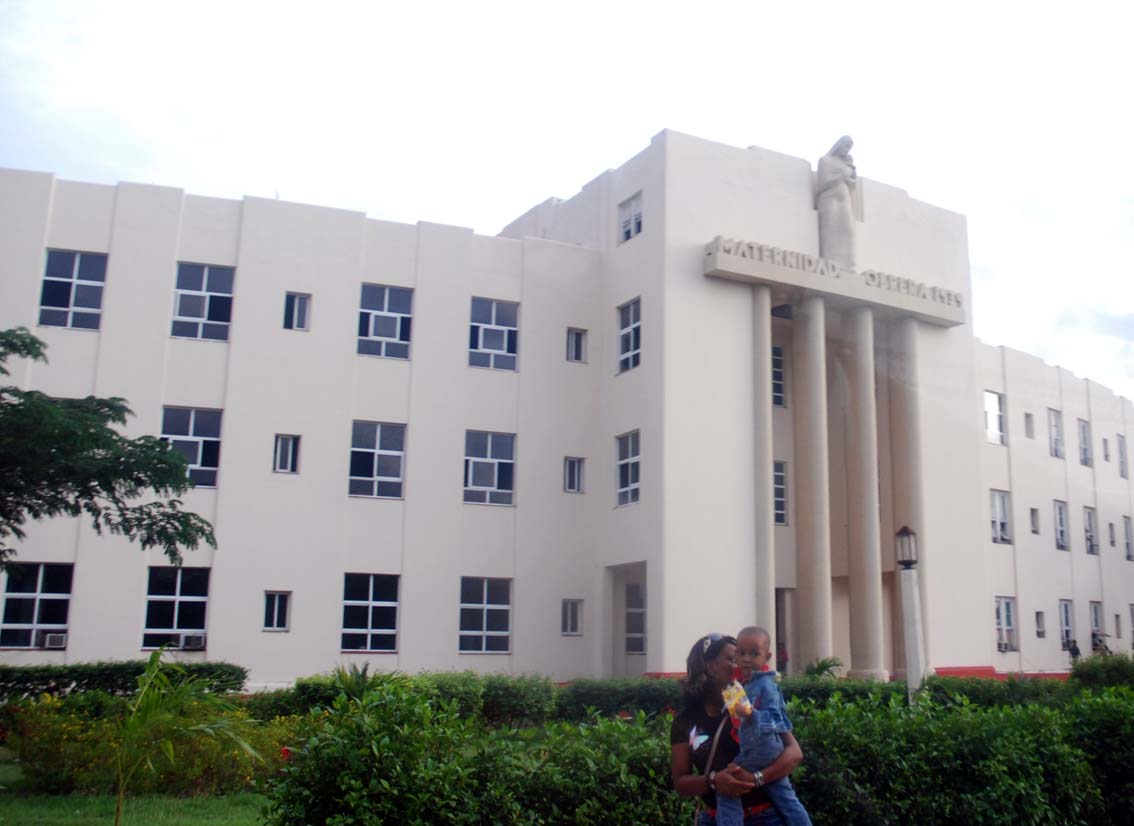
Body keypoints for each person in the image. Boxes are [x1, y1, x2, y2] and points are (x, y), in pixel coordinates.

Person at [671, 633, 803, 825]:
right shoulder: (687, 720)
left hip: (767, 817)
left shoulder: (753, 704)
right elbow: (681, 783)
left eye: (744, 656)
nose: (741, 664)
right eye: (733, 659)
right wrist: (714, 781)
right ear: (709, 666)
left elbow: (794, 753)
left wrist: (756, 778)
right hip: (717, 819)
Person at [716, 627, 811, 826]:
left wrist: (752, 714)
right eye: (741, 653)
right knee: (785, 797)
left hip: (761, 750)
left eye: (754, 654)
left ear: (767, 657)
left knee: (728, 788)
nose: (746, 659)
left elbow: (776, 720)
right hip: (763, 749)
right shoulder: (746, 685)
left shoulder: (767, 686)